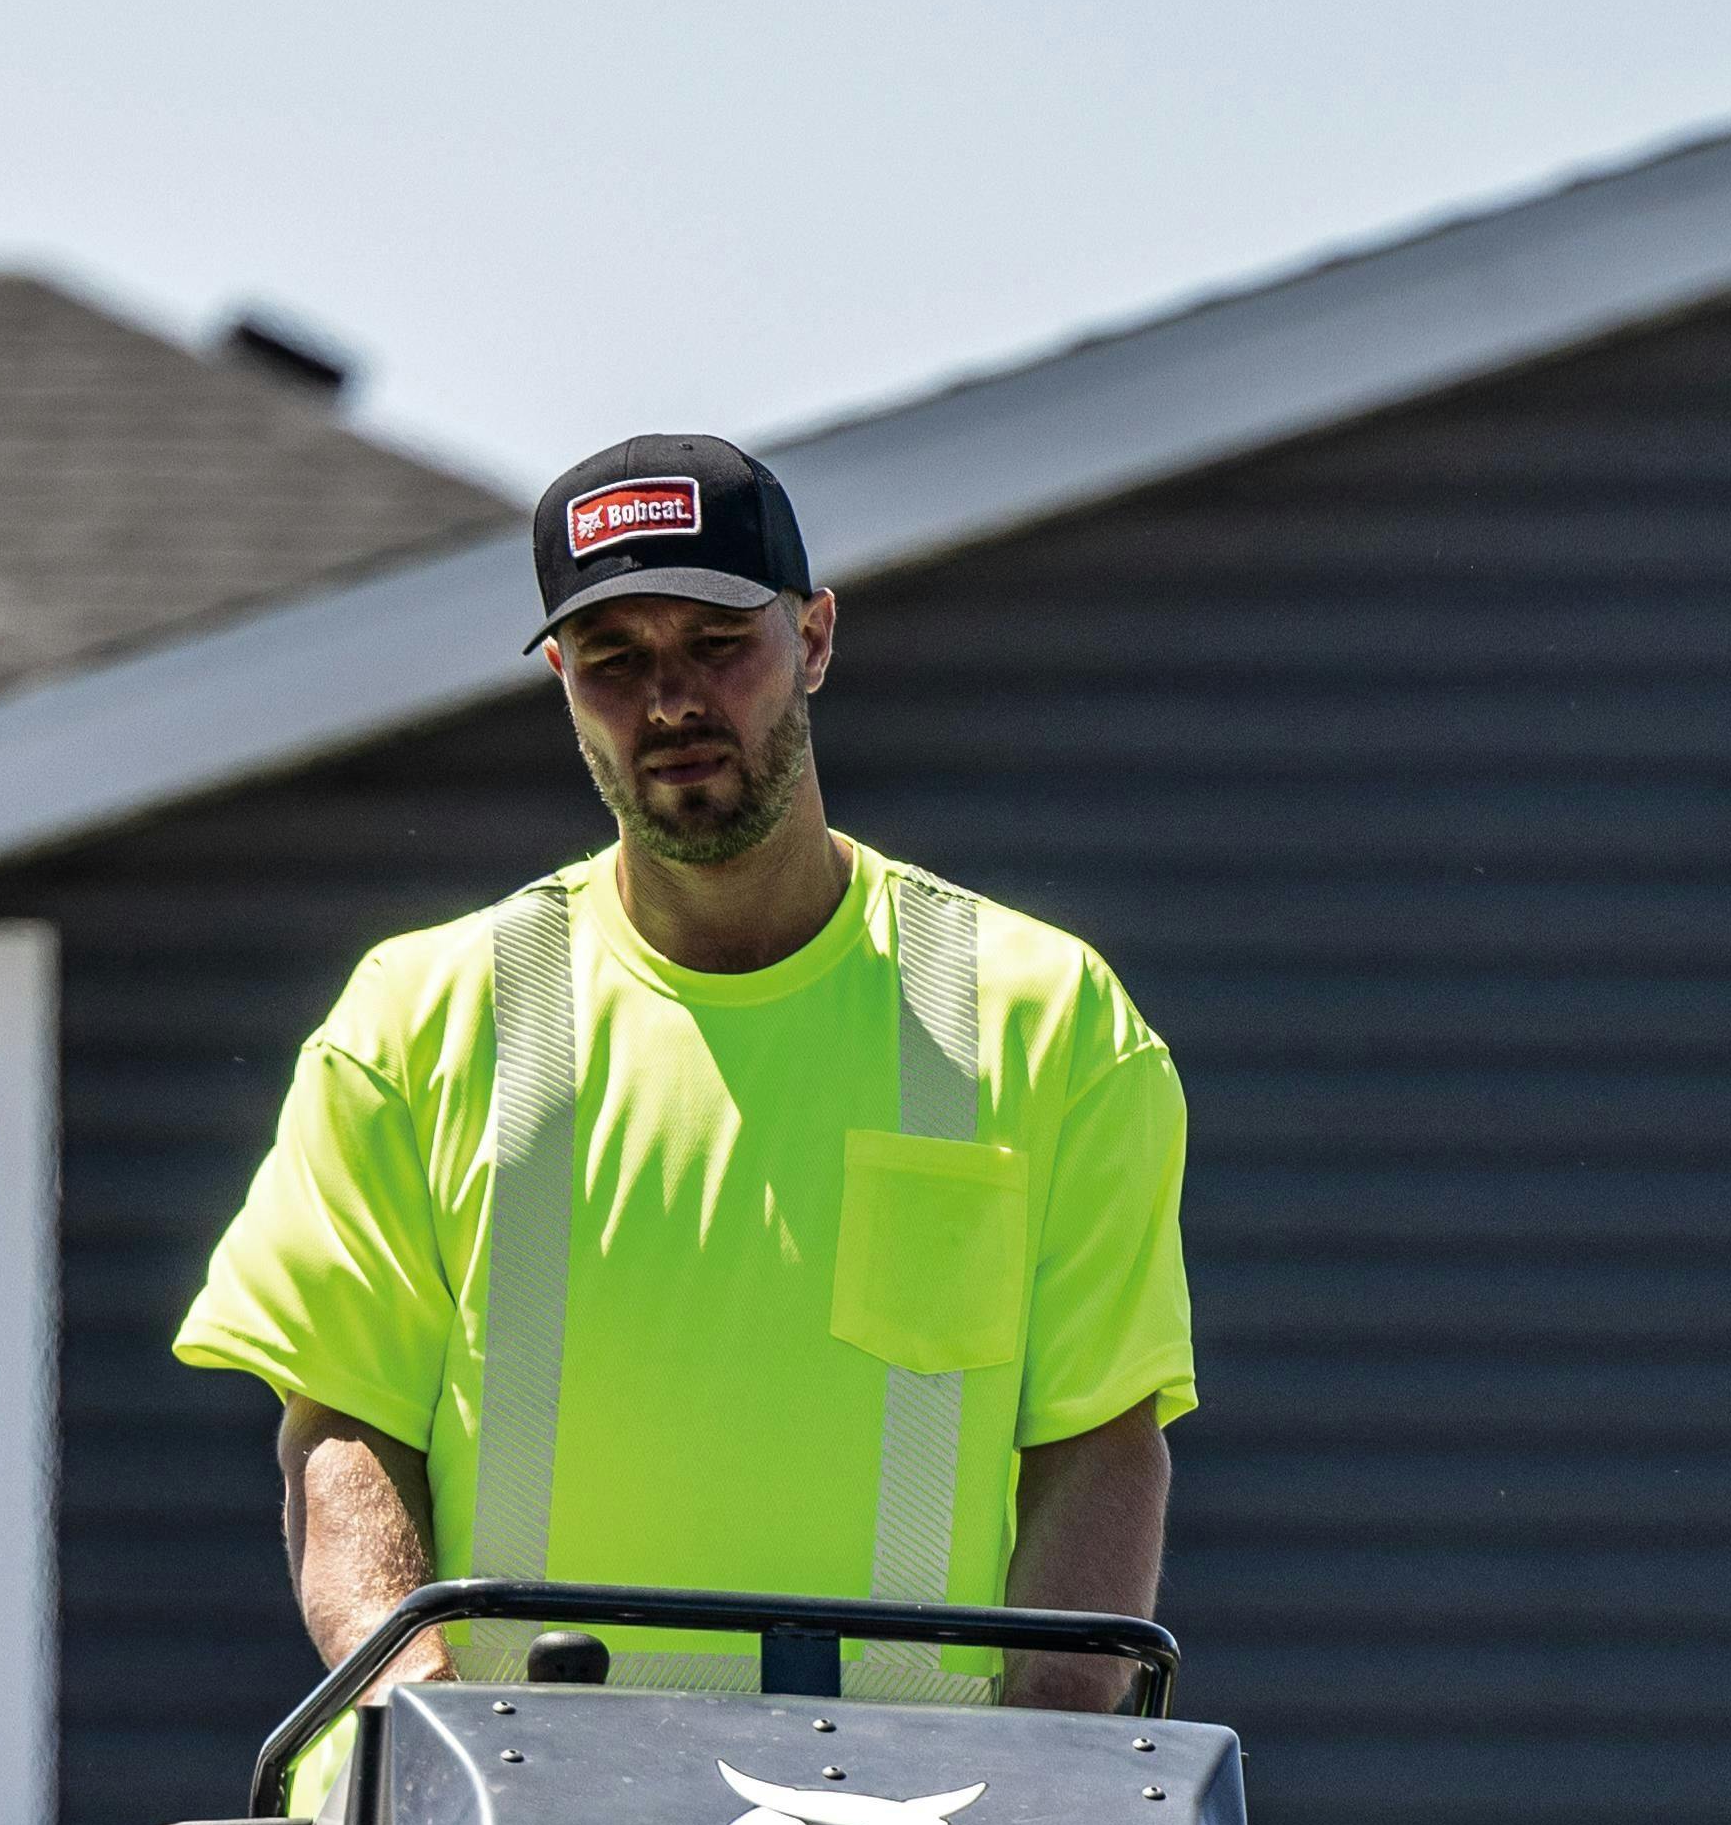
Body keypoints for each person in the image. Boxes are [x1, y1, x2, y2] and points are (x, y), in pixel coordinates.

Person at [176, 433, 1191, 1717]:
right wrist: (426, 1738)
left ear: (815, 638)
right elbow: (343, 1437)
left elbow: (1099, 1446)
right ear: (560, 675)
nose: (670, 700)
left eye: (719, 642)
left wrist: (1044, 1788)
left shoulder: (1045, 1022)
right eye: (614, 657)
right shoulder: (414, 1022)